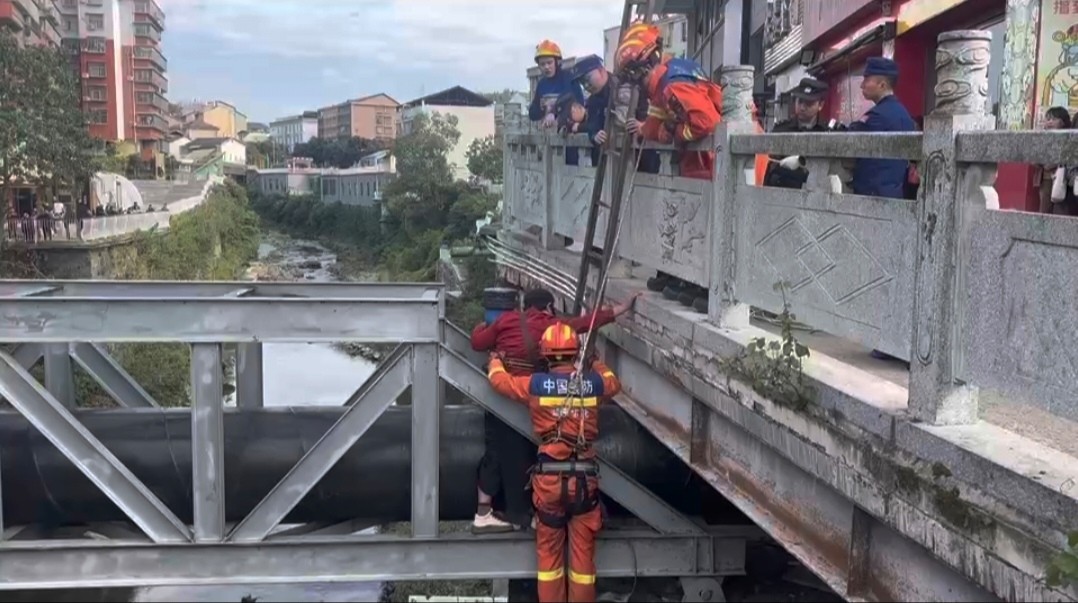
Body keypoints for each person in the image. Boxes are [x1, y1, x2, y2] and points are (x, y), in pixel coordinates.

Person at [469, 288, 638, 533]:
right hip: (535, 401)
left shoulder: (506, 321)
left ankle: (485, 512)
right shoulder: (553, 325)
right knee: (529, 453)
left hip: (504, 395)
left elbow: (477, 343)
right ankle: (531, 514)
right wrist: (620, 309)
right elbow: (587, 322)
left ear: (525, 306)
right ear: (548, 307)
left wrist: (488, 341)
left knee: (496, 450)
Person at [487, 322, 622, 603]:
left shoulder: (536, 385)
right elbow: (613, 383)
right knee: (583, 563)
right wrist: (595, 363)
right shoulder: (592, 383)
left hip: (549, 482)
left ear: (545, 354)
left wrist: (496, 360)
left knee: (549, 560)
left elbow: (499, 381)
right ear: (575, 353)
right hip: (584, 483)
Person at [570, 53, 659, 172]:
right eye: (582, 83)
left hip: (640, 156)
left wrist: (642, 125)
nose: (586, 85)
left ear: (601, 71)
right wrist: (595, 135)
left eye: (587, 79)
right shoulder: (593, 101)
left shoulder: (628, 85)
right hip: (609, 162)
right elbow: (592, 125)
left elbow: (648, 111)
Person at [846, 57, 917, 199]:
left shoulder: (877, 116)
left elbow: (847, 142)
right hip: (895, 194)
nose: (862, 85)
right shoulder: (904, 115)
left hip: (871, 196)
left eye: (867, 80)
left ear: (882, 85)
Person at [764, 77, 843, 190]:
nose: (802, 107)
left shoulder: (829, 132)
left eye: (809, 103)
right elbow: (769, 163)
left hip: (817, 191)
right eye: (800, 101)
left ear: (820, 105)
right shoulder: (781, 129)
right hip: (785, 190)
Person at [530, 39, 584, 166]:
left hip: (569, 136)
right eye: (542, 64)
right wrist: (541, 108)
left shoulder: (569, 79)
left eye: (549, 62)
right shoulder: (542, 84)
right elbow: (532, 114)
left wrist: (555, 111)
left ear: (557, 62)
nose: (546, 67)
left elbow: (579, 104)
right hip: (548, 137)